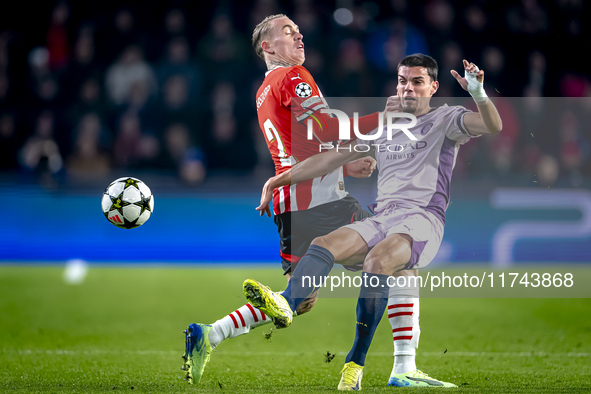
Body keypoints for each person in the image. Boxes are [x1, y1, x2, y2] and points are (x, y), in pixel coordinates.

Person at [247, 54, 502, 390]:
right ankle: (290, 303)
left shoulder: (446, 119)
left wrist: (478, 93)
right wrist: (278, 180)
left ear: (433, 87)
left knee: (378, 261)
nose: (407, 88)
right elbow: (330, 159)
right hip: (384, 216)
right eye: (402, 81)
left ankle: (354, 364)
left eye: (417, 82)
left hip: (423, 219)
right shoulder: (387, 127)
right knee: (322, 245)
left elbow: (492, 126)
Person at [181, 14, 383, 384]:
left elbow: (301, 148)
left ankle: (209, 334)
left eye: (298, 29)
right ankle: (371, 367)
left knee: (301, 300)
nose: (299, 35)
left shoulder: (264, 89)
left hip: (291, 204)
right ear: (267, 47)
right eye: (287, 32)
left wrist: (344, 166)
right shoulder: (293, 76)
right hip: (321, 200)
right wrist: (385, 116)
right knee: (390, 256)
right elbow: (329, 130)